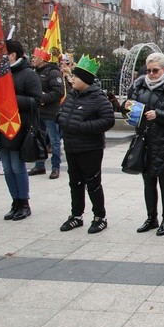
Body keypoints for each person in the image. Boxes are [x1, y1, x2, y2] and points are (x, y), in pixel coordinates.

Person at [123, 52, 164, 236]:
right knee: (148, 182)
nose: (151, 73)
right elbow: (129, 111)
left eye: (155, 70)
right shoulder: (139, 86)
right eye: (148, 70)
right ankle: (151, 218)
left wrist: (158, 114)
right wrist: (125, 107)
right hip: (145, 139)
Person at [56, 55, 115, 233]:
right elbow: (65, 114)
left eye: (76, 77)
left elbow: (108, 120)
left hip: (90, 148)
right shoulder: (72, 95)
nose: (72, 79)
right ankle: (76, 215)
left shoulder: (98, 98)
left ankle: (99, 216)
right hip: (72, 146)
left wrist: (81, 126)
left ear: (86, 80)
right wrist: (61, 119)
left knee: (93, 183)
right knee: (75, 182)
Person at [0, 40, 42, 221]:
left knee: (17, 166)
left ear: (12, 55)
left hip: (20, 127)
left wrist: (11, 98)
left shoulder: (28, 74)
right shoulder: (0, 74)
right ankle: (15, 201)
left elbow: (36, 100)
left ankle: (24, 202)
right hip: (1, 125)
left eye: (3, 53)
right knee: (7, 168)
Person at [28, 48, 65, 179]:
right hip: (38, 112)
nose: (32, 59)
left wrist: (43, 99)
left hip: (51, 112)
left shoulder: (53, 72)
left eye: (35, 57)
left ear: (42, 59)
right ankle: (39, 166)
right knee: (39, 138)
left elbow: (59, 91)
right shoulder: (34, 72)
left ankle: (55, 167)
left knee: (54, 140)